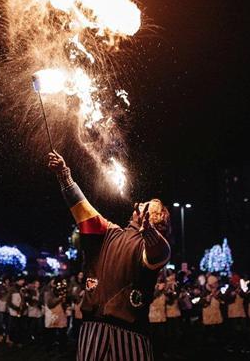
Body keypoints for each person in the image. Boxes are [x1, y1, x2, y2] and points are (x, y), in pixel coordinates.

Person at [48, 151, 172, 361]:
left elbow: (161, 253)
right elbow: (82, 208)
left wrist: (150, 233)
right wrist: (63, 174)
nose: (140, 204)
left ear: (155, 218)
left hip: (131, 333)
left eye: (148, 206)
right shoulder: (110, 231)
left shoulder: (149, 246)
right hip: (94, 328)